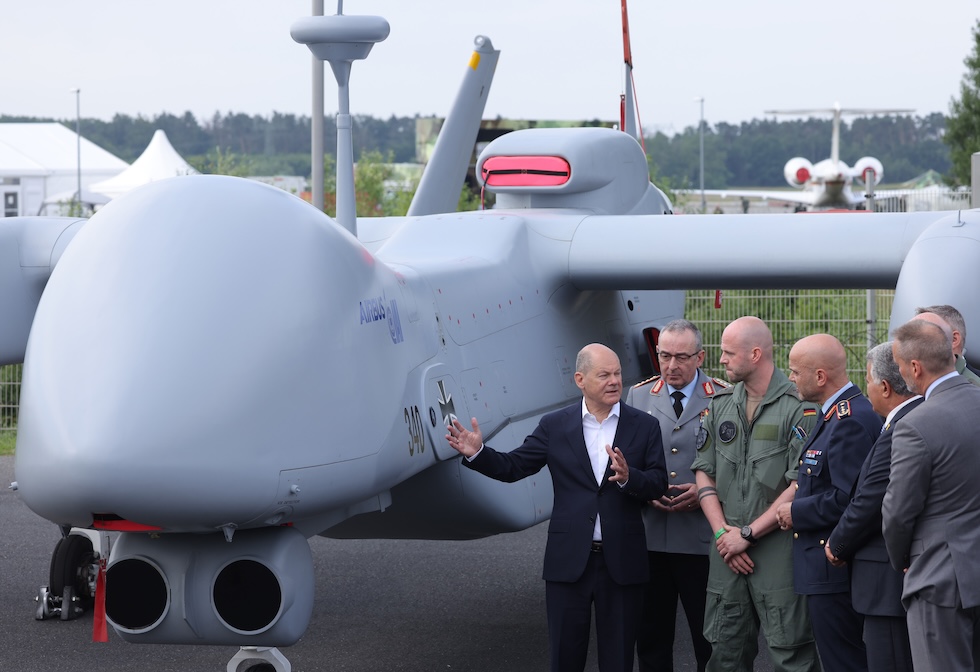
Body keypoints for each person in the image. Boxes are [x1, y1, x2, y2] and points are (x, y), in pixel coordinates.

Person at [446, 343, 668, 672]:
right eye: (603, 375)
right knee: (565, 658)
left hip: (623, 563)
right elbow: (514, 466)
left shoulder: (643, 425)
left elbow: (658, 483)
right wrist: (478, 453)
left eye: (617, 373)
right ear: (580, 379)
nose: (614, 381)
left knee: (618, 660)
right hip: (569, 562)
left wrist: (628, 477)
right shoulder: (555, 425)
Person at [691, 316, 820, 672]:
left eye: (729, 353)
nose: (721, 359)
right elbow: (703, 471)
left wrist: (747, 536)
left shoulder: (800, 408)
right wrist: (724, 535)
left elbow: (801, 483)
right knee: (725, 653)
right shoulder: (719, 405)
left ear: (756, 354)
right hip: (726, 550)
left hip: (778, 551)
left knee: (792, 654)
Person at [776, 334, 880, 672]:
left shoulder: (850, 420)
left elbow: (850, 499)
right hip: (825, 566)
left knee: (843, 661)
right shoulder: (835, 414)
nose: (790, 377)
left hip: (835, 566)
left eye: (795, 371)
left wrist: (795, 511)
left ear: (820, 376)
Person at [883, 319, 980, 671]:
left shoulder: (915, 424)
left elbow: (897, 512)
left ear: (915, 367)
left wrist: (903, 559)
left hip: (940, 578)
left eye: (898, 364)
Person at [626, 320, 723, 672]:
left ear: (700, 357)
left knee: (709, 639)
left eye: (681, 357)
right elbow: (627, 458)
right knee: (651, 638)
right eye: (664, 356)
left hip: (701, 539)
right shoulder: (638, 396)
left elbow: (739, 463)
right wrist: (643, 488)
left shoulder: (723, 397)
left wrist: (707, 491)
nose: (671, 365)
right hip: (651, 537)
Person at [825, 342, 921, 672]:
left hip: (886, 580)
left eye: (867, 379)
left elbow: (871, 499)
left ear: (885, 386)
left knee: (890, 660)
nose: (865, 388)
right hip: (897, 576)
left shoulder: (900, 428)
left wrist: (837, 544)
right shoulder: (909, 419)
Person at [914, 304, 980, 386]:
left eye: (923, 335)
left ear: (954, 339)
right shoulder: (907, 383)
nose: (911, 343)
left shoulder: (975, 385)